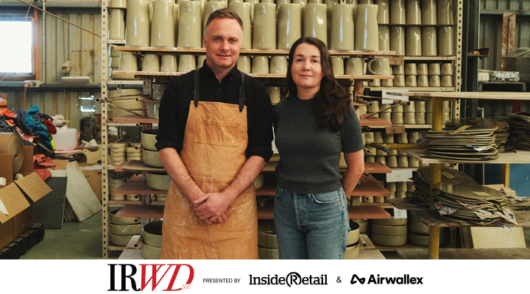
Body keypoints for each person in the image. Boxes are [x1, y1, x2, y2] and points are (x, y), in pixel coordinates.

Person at [155, 8, 273, 259]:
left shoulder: (256, 92)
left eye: (232, 40)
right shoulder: (178, 88)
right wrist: (199, 200)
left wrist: (225, 198)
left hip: (234, 214)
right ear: (205, 41)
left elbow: (261, 152)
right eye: (217, 38)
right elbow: (166, 147)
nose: (225, 47)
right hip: (187, 211)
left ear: (240, 44)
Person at [273, 37, 365, 259]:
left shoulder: (342, 109)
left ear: (324, 69)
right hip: (285, 205)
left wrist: (335, 201)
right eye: (299, 59)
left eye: (314, 60)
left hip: (327, 207)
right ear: (291, 66)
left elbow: (357, 167)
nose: (306, 66)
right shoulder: (280, 111)